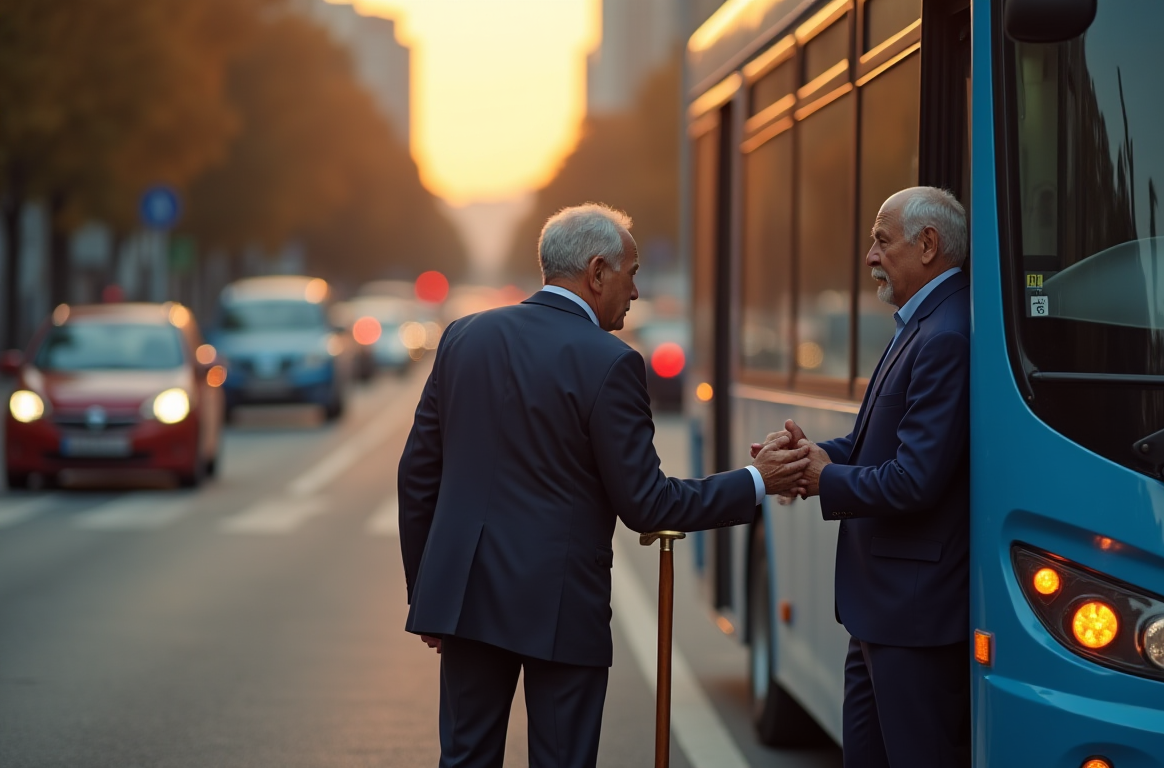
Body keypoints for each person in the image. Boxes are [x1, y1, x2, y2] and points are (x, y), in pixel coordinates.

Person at [397, 203, 810, 768]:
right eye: (631, 274)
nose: (635, 292)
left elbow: (418, 474)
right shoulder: (611, 362)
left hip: (465, 597)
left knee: (466, 758)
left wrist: (428, 592)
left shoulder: (465, 337)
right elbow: (648, 503)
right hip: (559, 605)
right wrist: (755, 482)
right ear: (596, 273)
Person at [756, 186, 971, 767]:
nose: (870, 257)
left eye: (881, 242)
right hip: (881, 614)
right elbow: (865, 444)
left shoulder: (946, 334)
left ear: (928, 245)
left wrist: (822, 479)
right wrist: (802, 458)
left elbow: (914, 479)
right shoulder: (920, 323)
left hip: (914, 620)